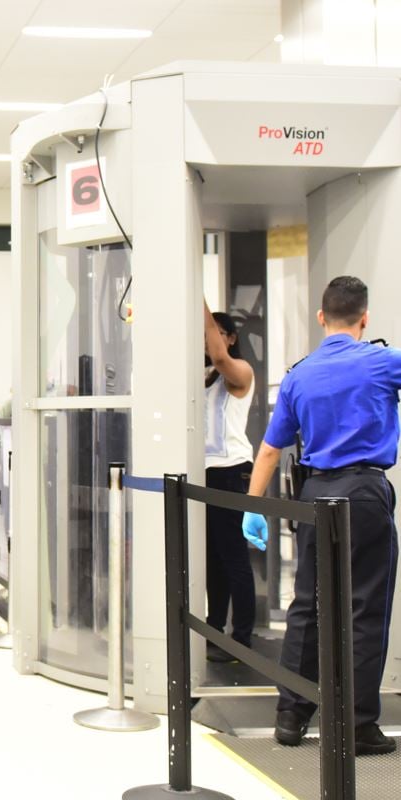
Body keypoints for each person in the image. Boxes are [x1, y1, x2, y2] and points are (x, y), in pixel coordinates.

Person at [244, 276, 399, 756]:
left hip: (314, 494)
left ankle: (290, 717)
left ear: (321, 317)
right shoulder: (382, 360)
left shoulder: (299, 374)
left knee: (307, 606)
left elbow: (270, 449)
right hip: (366, 493)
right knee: (364, 610)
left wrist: (255, 509)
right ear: (364, 317)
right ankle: (356, 726)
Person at [203, 302, 256, 663]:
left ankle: (241, 639)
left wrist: (198, 301)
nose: (210, 342)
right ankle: (214, 627)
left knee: (233, 558)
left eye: (218, 334)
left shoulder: (240, 372)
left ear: (232, 338)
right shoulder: (204, 376)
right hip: (205, 474)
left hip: (231, 470)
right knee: (212, 559)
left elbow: (221, 358)